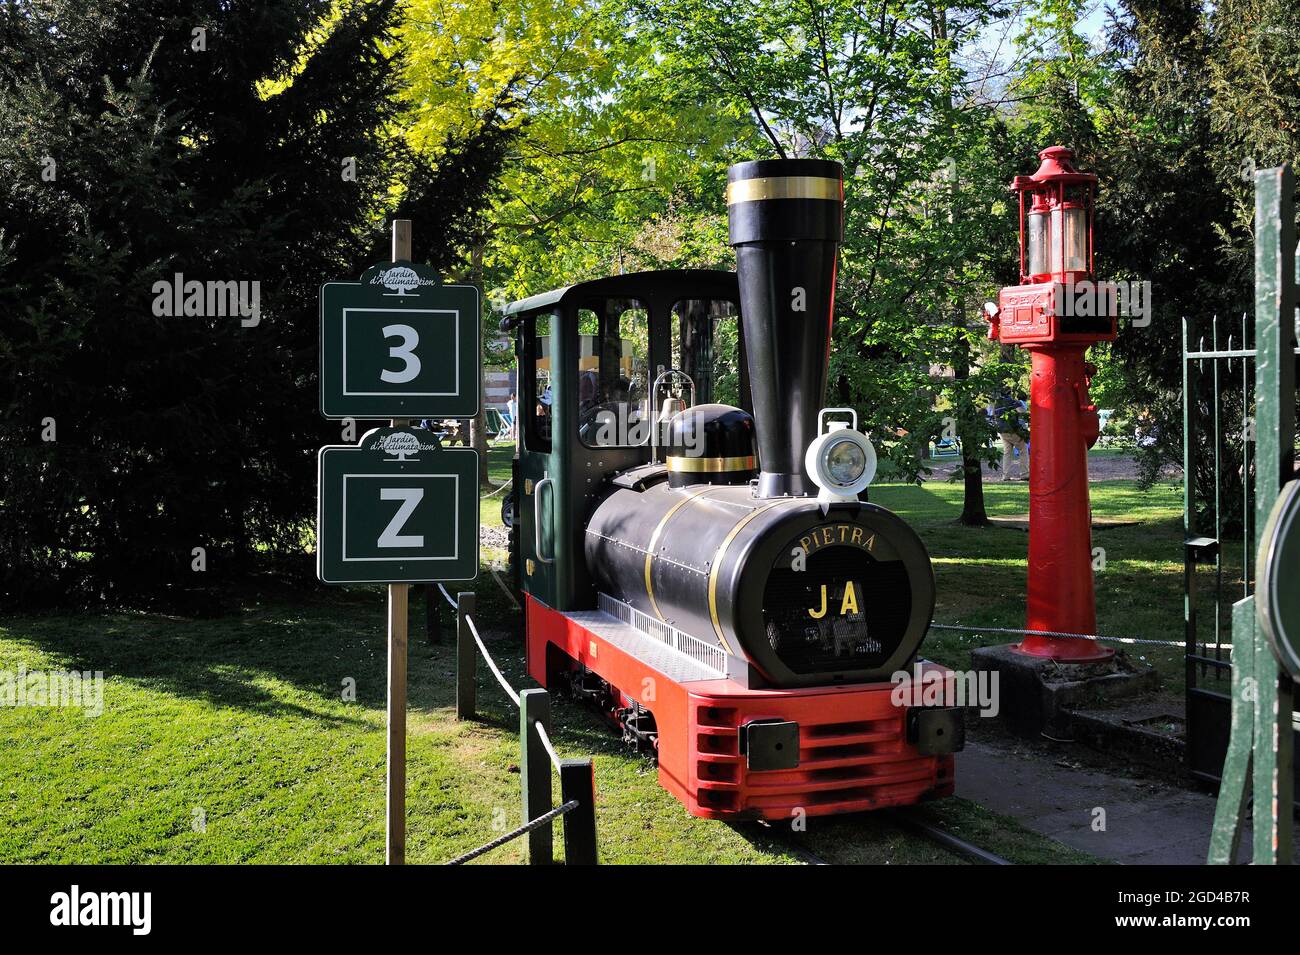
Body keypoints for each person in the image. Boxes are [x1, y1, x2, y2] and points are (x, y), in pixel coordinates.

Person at [988, 394, 1029, 481]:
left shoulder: (997, 403)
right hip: (1012, 429)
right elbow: (1022, 411)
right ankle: (1024, 474)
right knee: (1023, 450)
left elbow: (993, 415)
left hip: (1002, 431)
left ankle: (1005, 475)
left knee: (1007, 453)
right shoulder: (1013, 402)